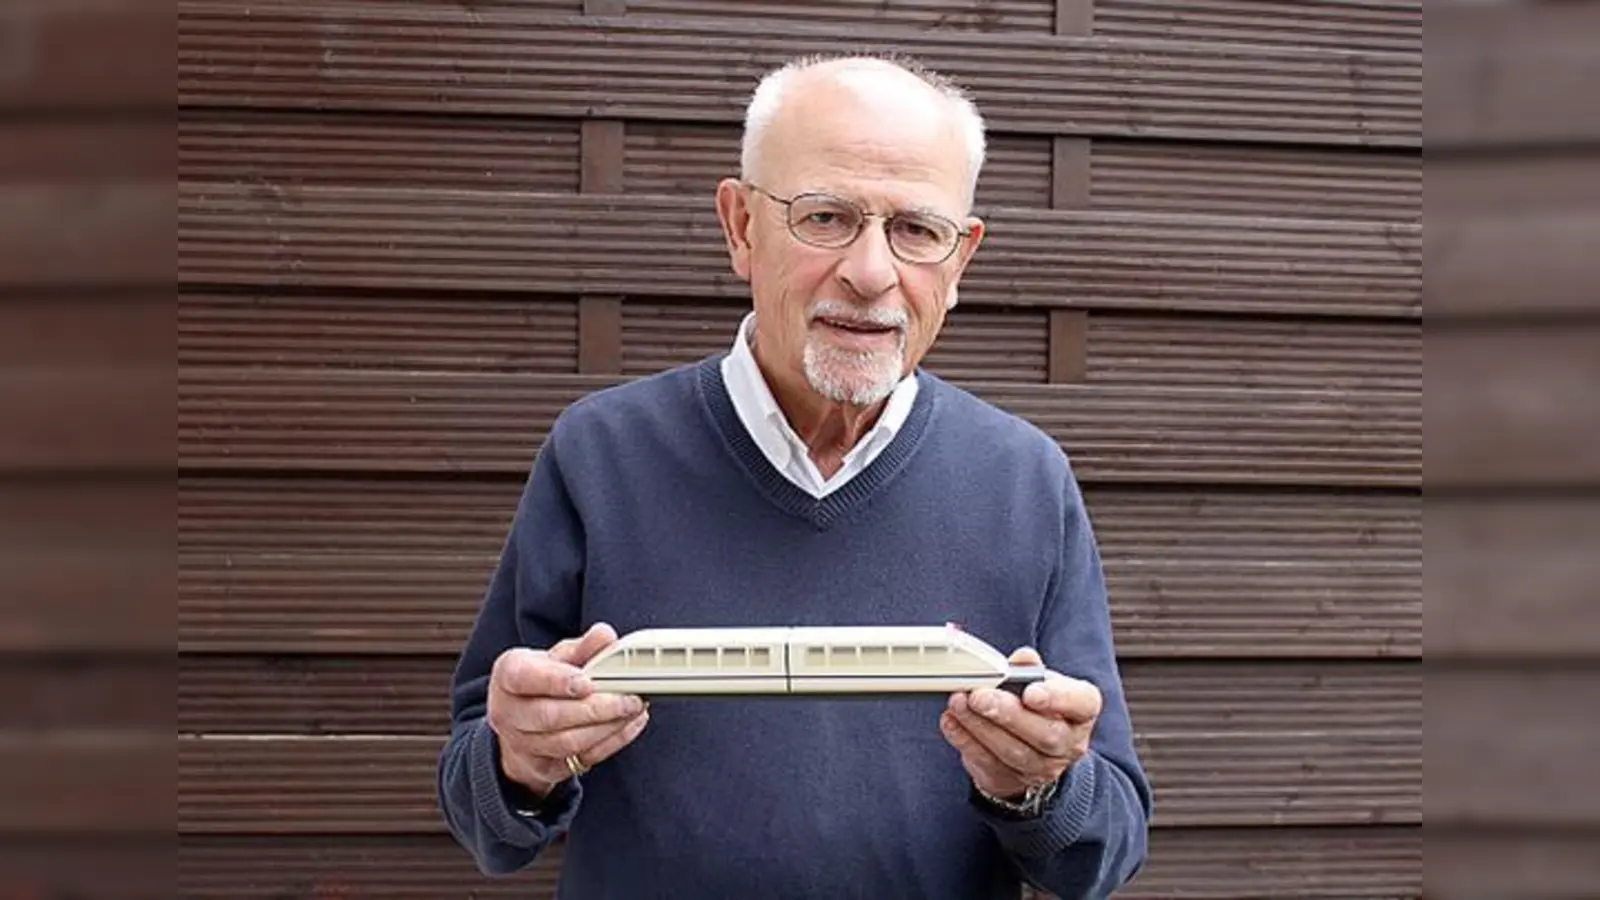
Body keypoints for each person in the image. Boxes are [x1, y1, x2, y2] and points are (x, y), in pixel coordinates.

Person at [437, 52, 1153, 899]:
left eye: (917, 231)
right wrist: (517, 760)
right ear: (741, 226)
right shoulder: (601, 454)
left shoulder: (1023, 480)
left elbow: (1104, 851)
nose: (872, 272)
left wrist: (1039, 788)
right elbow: (481, 813)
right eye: (826, 217)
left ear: (959, 263)